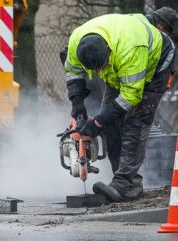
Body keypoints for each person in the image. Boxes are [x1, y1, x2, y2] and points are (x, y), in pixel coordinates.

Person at [64, 13, 175, 202]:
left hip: (153, 66)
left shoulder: (130, 50)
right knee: (110, 125)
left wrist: (98, 122)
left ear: (108, 50)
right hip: (121, 69)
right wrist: (77, 103)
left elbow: (131, 95)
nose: (97, 73)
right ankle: (121, 180)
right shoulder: (76, 40)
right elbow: (73, 71)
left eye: (100, 67)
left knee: (135, 122)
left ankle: (126, 182)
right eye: (94, 70)